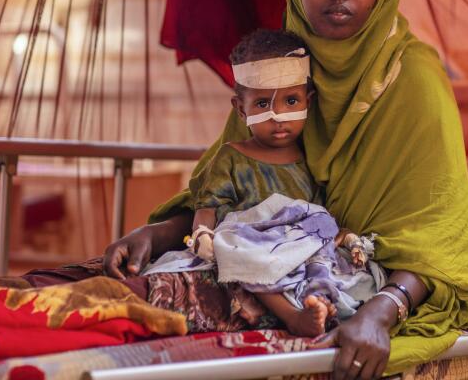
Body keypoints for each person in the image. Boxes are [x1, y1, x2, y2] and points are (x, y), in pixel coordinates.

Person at [104, 0, 468, 379]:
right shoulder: (281, 74)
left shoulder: (412, 79)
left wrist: (381, 312)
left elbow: (440, 236)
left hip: (383, 273)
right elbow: (234, 190)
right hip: (288, 264)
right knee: (119, 287)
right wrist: (155, 233)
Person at [143, 28, 382, 337]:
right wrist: (203, 234)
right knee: (245, 257)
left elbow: (316, 216)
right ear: (241, 109)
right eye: (261, 105)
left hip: (295, 248)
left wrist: (344, 237)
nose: (278, 116)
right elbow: (208, 208)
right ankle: (293, 317)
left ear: (308, 101)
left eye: (291, 101)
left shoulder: (312, 159)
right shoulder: (230, 159)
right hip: (247, 246)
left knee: (350, 270)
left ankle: (323, 304)